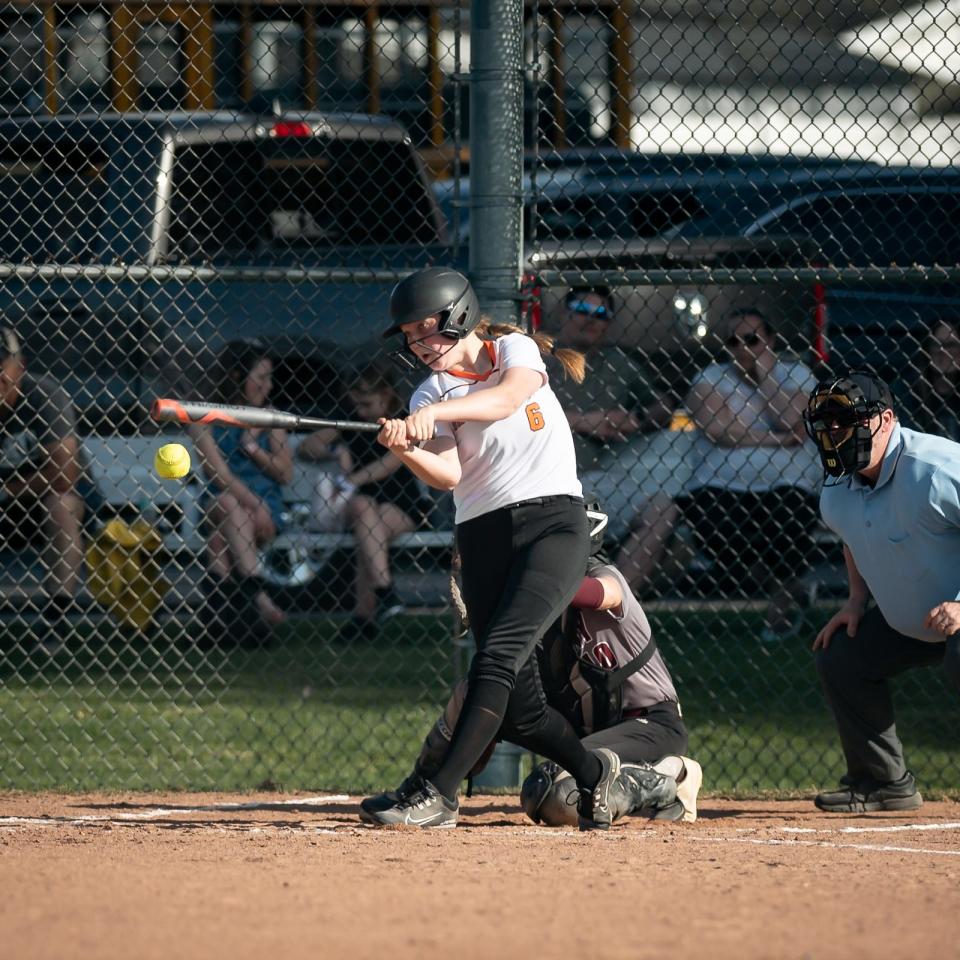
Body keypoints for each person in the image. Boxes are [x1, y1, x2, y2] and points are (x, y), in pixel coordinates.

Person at [365, 266, 627, 830]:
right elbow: (449, 473)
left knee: (497, 657)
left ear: (458, 316)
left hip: (553, 525)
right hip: (482, 536)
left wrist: (435, 414)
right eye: (409, 336)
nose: (418, 345)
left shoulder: (514, 349)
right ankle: (594, 773)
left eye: (425, 330)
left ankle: (439, 794)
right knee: (523, 708)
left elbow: (507, 400)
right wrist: (406, 444)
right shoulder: (428, 391)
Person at [360, 510, 702, 827]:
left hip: (650, 725)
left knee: (554, 795)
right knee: (473, 691)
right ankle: (424, 787)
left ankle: (674, 779)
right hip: (583, 730)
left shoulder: (605, 579)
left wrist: (525, 584)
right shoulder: (529, 607)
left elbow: (606, 594)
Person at [805, 370, 960, 813]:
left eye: (847, 420)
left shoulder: (936, 469)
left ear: (887, 419)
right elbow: (853, 536)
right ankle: (882, 783)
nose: (835, 433)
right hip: (915, 621)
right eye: (826, 424)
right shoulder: (837, 486)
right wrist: (856, 601)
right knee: (841, 654)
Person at [297, 361, 433, 641]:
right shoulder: (352, 420)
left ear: (385, 395)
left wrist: (351, 480)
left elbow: (387, 464)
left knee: (368, 528)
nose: (360, 411)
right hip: (366, 506)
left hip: (401, 504)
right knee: (366, 516)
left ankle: (364, 617)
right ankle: (384, 592)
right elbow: (306, 446)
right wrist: (336, 451)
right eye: (356, 404)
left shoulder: (403, 420)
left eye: (367, 404)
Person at [190, 339, 292, 643]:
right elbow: (218, 475)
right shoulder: (204, 417)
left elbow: (285, 474)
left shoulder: (271, 417)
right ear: (236, 376)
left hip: (265, 513)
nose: (268, 386)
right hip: (221, 504)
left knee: (220, 541)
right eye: (260, 378)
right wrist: (254, 504)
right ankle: (256, 596)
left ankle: (221, 625)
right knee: (228, 503)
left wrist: (251, 447)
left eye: (269, 377)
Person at [0, 327, 86, 629]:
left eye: (1, 369)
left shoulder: (45, 396)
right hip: (7, 505)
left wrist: (6, 491)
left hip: (43, 502)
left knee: (59, 505)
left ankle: (56, 618)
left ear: (19, 366)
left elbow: (64, 475)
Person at [548, 286, 675, 473]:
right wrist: (582, 421)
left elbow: (663, 405)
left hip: (598, 474)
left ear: (608, 323)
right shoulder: (537, 355)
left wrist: (636, 418)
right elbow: (514, 415)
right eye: (582, 310)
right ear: (563, 314)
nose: (591, 320)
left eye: (600, 314)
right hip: (541, 469)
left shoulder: (618, 363)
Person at [904, 318, 960, 442]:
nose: (943, 351)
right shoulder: (908, 392)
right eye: (936, 344)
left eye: (951, 345)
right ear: (927, 350)